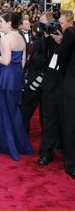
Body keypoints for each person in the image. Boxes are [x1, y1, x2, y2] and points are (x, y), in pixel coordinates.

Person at [0, 12, 33, 161]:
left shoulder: (6, 39)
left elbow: (6, 60)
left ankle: (7, 146)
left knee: (3, 113)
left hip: (3, 79)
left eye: (1, 21)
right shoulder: (21, 37)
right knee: (14, 112)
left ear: (9, 23)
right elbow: (22, 63)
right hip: (15, 78)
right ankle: (21, 145)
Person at [38, 10, 73, 168]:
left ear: (70, 23)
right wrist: (48, 36)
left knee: (68, 123)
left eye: (62, 23)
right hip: (50, 85)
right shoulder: (52, 37)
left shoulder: (71, 38)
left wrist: (64, 42)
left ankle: (67, 154)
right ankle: (46, 152)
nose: (59, 25)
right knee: (49, 120)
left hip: (67, 88)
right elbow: (43, 53)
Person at [58, 11, 75, 179]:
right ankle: (71, 164)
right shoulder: (71, 32)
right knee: (71, 126)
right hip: (72, 87)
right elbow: (62, 59)